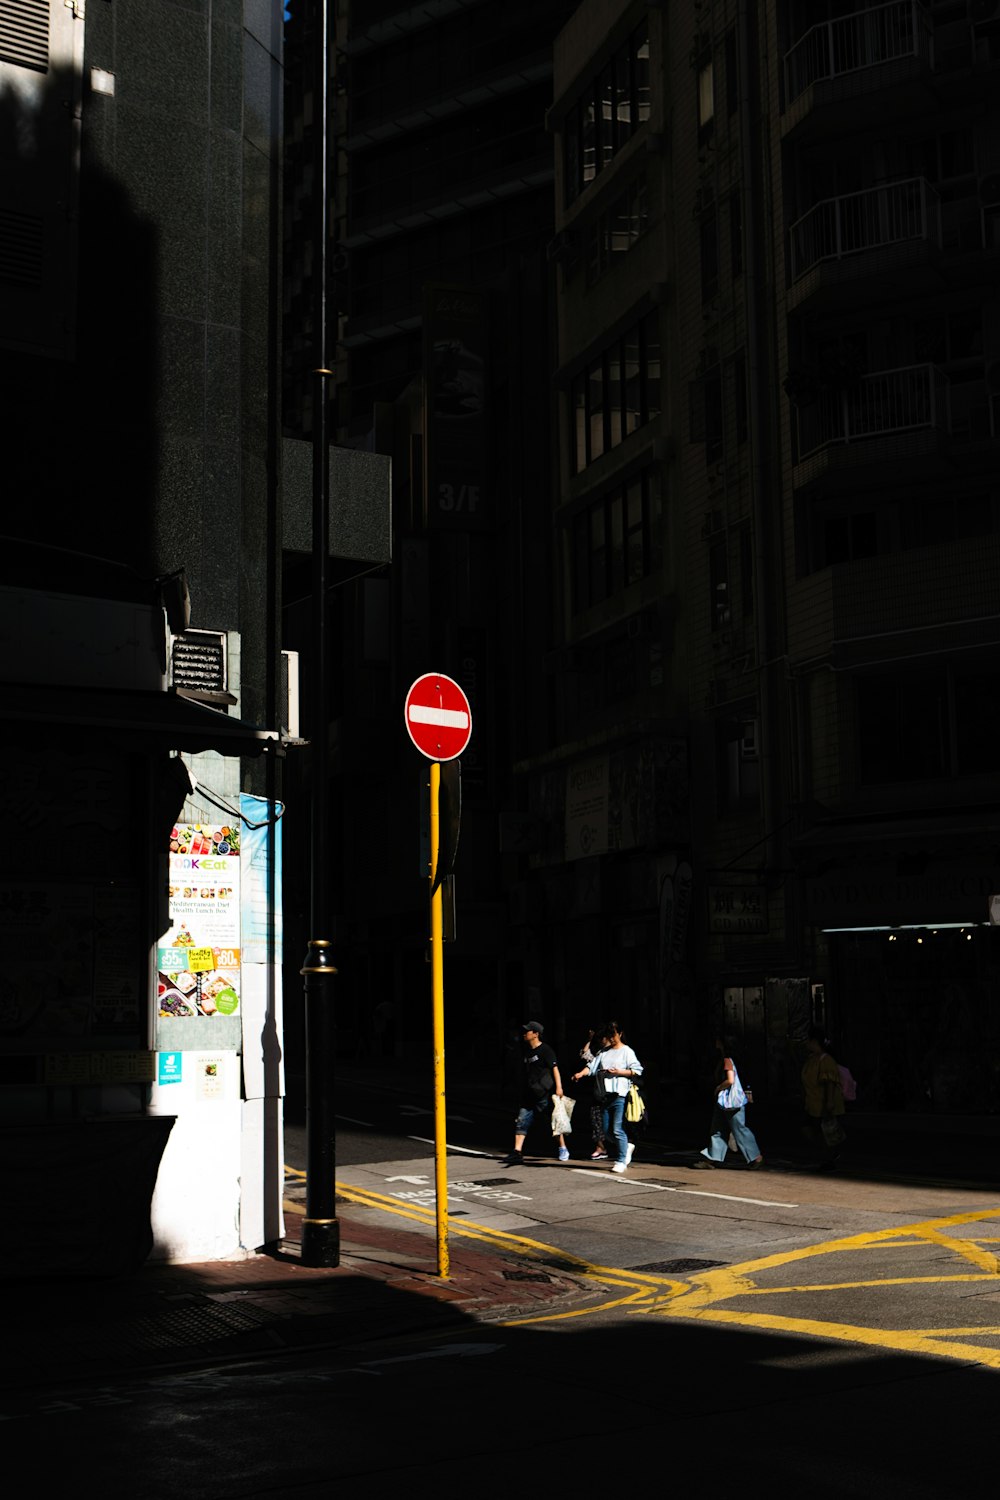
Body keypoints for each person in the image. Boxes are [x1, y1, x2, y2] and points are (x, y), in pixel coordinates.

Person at [572, 1021, 643, 1174]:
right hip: (605, 1096)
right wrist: (580, 1074)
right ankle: (627, 1146)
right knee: (606, 1131)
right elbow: (591, 1066)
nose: (612, 1037)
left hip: (620, 1095)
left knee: (617, 1129)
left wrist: (618, 1072)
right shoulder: (604, 1052)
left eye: (614, 1034)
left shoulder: (626, 1051)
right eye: (610, 1034)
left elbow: (637, 1070)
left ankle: (621, 1160)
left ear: (620, 1034)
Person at [691, 1037, 763, 1169]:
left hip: (730, 1101)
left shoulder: (727, 1060)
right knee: (718, 1129)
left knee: (737, 1129)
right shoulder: (736, 1059)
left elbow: (730, 1080)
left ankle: (756, 1156)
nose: (716, 1042)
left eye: (718, 1041)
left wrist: (718, 1088)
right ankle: (711, 1158)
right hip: (725, 1101)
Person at [503, 1021, 569, 1166]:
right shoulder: (526, 1051)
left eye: (528, 1031)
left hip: (544, 1093)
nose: (524, 1033)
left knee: (553, 1122)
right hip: (529, 1093)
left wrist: (559, 1088)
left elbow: (555, 1069)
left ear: (536, 1034)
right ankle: (517, 1152)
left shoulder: (546, 1050)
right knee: (522, 1121)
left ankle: (562, 1148)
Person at [801, 1025, 846, 1167]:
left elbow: (829, 1083)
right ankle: (829, 1156)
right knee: (812, 1130)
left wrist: (830, 1102)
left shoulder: (825, 1060)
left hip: (823, 1103)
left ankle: (830, 1158)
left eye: (808, 1040)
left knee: (825, 1133)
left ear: (814, 1041)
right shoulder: (812, 1059)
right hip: (813, 1102)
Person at [578, 1027, 608, 1160]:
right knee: (596, 1120)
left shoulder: (619, 1052)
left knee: (612, 1123)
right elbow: (585, 1056)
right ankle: (600, 1147)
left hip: (612, 1092)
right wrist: (589, 1040)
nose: (603, 1041)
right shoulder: (600, 1053)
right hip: (599, 1092)